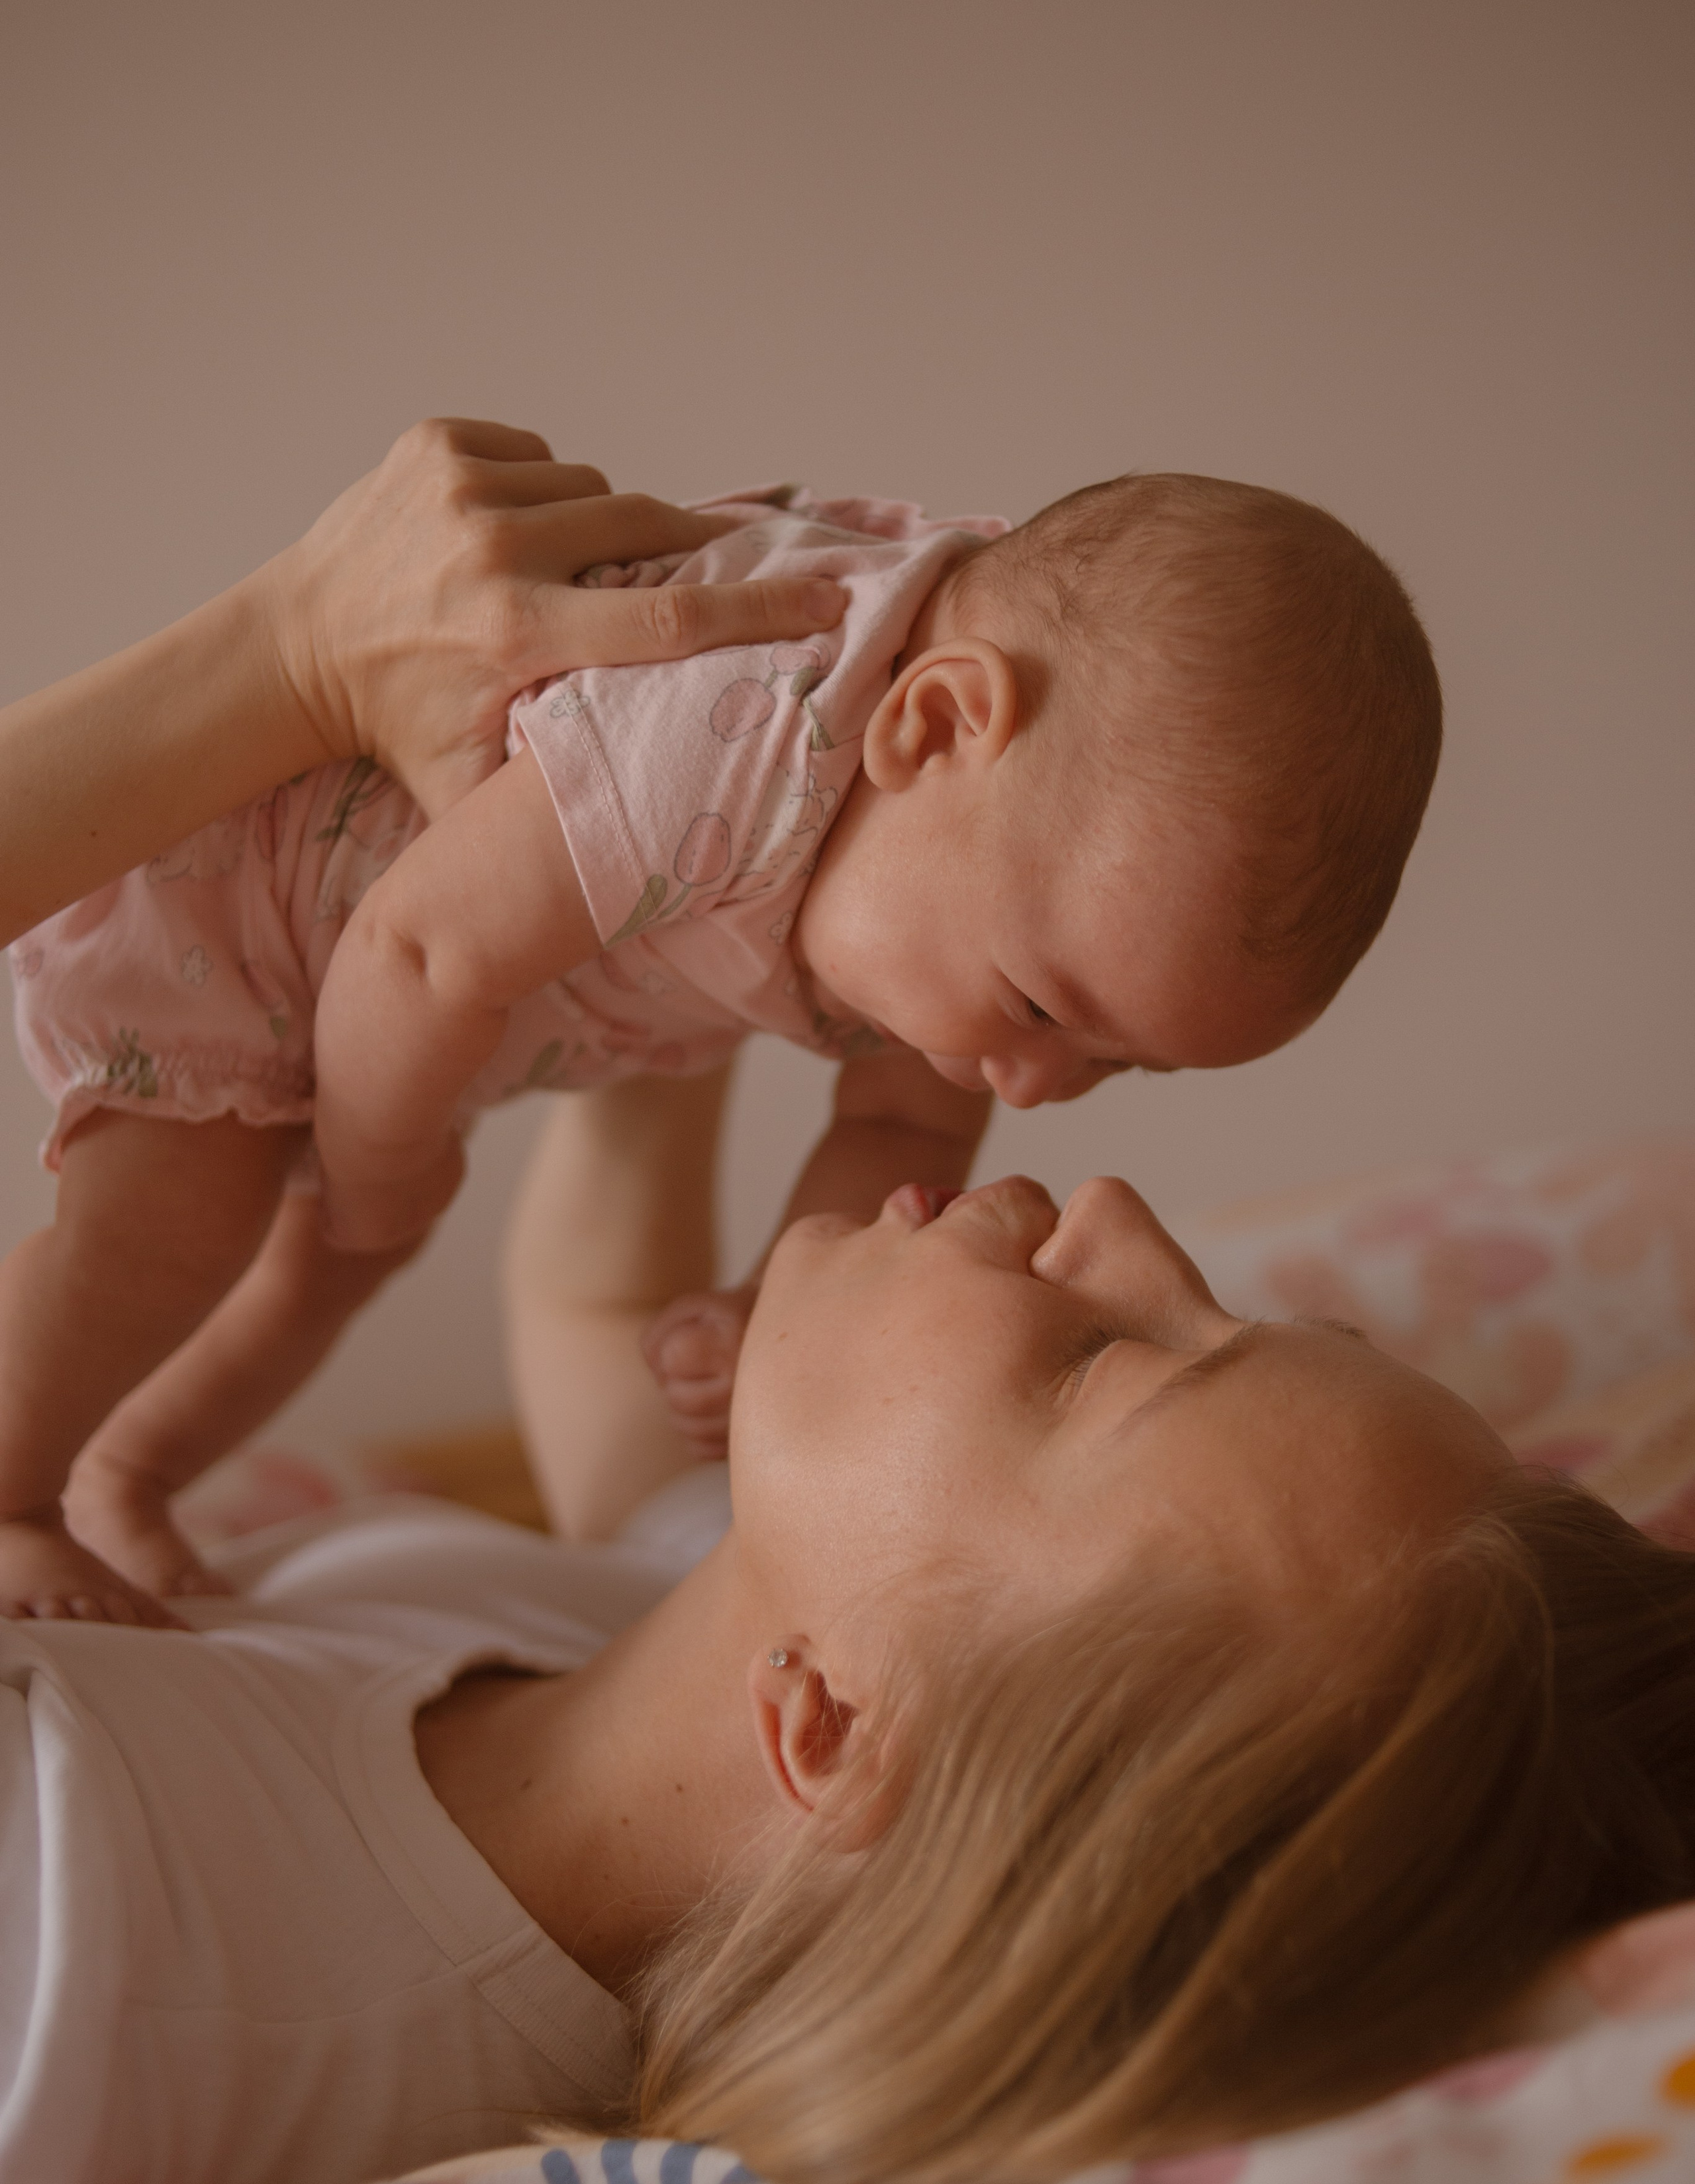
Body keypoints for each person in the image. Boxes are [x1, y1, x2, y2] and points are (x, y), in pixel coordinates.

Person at [1, 448, 1692, 2184]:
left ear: (836, 1729)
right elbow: (594, 1308)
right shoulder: (687, 1689)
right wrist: (701, 901)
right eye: (1252, 1316)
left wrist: (290, 658)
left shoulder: (85, 1919)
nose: (1113, 1205)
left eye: (1119, 1369)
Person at [3, 459, 1441, 1612]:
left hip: (408, 998)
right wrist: (382, 1171)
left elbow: (886, 1143)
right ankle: (11, 1493)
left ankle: (125, 1475)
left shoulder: (966, 874)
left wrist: (763, 1304)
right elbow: (418, 942)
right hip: (253, 902)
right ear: (932, 729)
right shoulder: (740, 732)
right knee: (176, 1232)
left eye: (1117, 1064)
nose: (1031, 1086)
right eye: (1041, 1009)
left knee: (320, 1282)